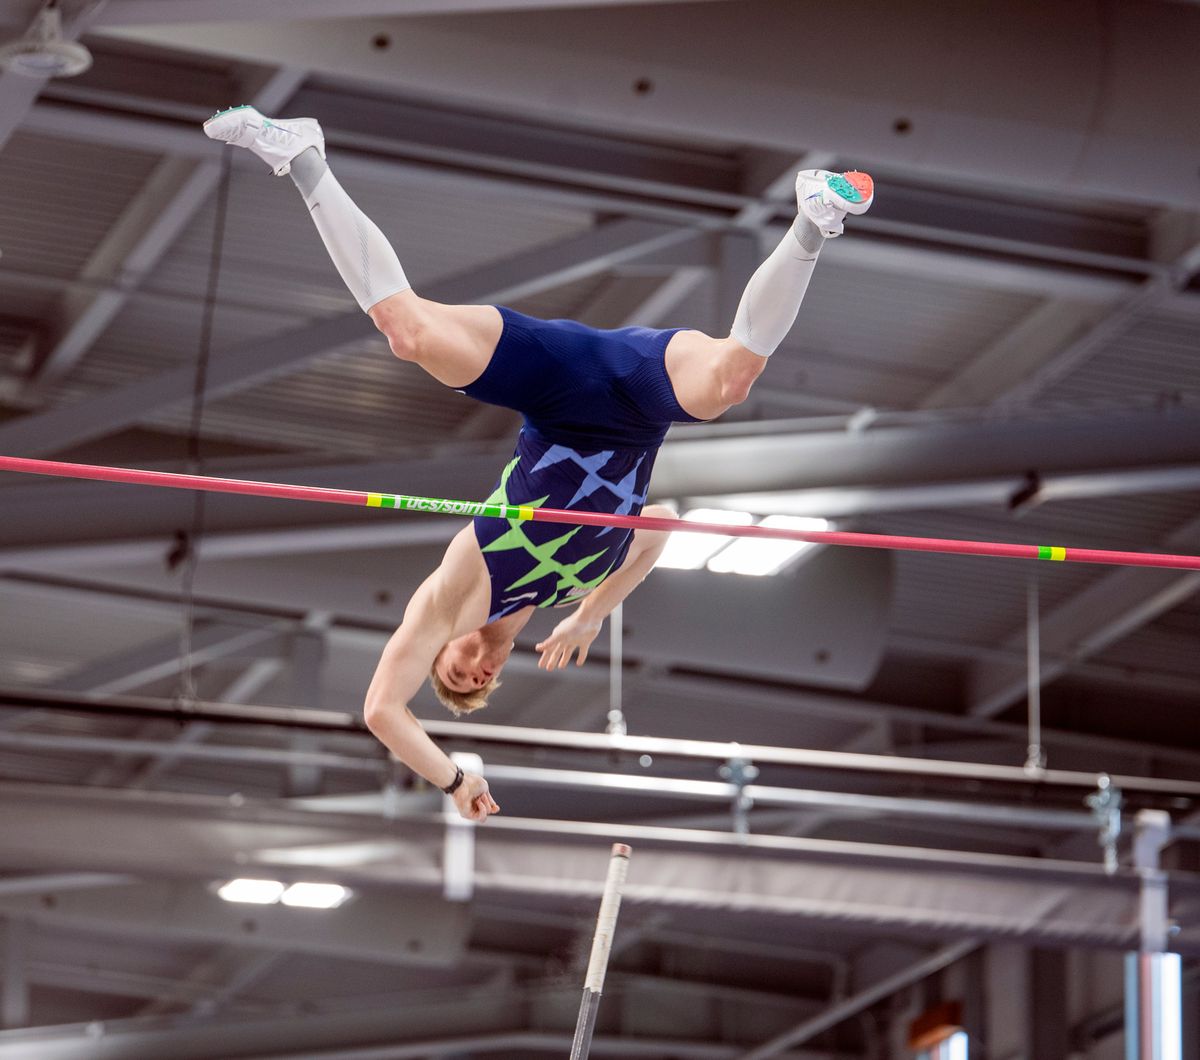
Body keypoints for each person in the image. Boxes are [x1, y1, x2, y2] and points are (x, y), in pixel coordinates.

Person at [203, 106, 873, 821]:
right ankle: (813, 218)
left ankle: (300, 156)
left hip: (550, 385)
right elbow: (660, 527)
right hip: (635, 399)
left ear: (441, 650)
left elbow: (380, 711)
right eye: (484, 680)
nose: (477, 668)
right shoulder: (567, 589)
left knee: (407, 331)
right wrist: (589, 617)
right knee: (730, 384)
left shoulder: (455, 596)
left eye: (457, 670)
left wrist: (455, 780)